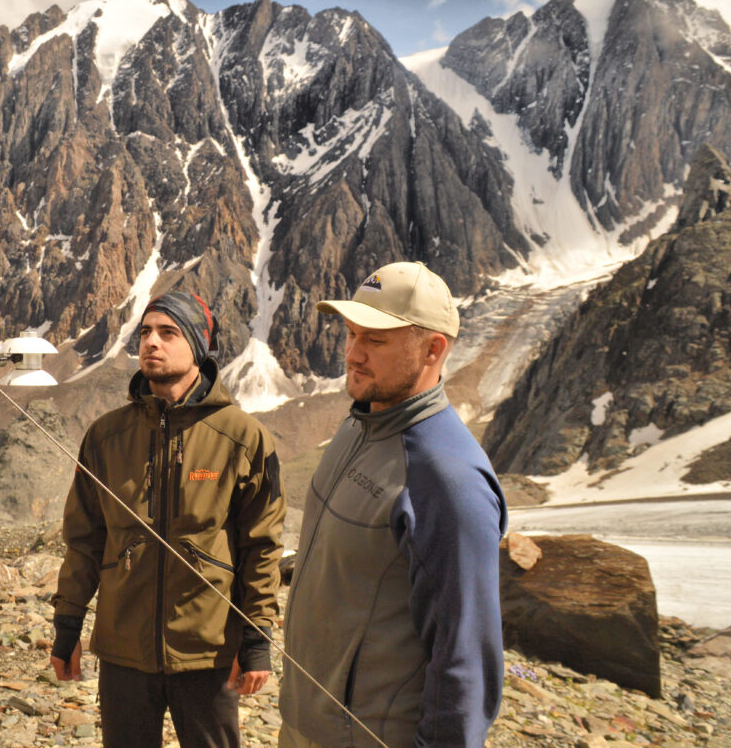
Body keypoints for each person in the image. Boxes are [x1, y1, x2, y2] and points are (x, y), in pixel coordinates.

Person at [278, 261, 508, 748]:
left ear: (433, 350)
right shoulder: (357, 426)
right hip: (303, 727)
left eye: (376, 340)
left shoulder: (448, 481)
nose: (353, 354)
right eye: (351, 333)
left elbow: (465, 662)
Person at [50, 289, 286, 748]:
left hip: (208, 651)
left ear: (197, 345)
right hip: (123, 652)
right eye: (145, 332)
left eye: (168, 332)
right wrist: (67, 626)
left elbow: (261, 546)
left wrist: (256, 639)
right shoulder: (106, 436)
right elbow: (84, 542)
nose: (151, 342)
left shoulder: (243, 437)